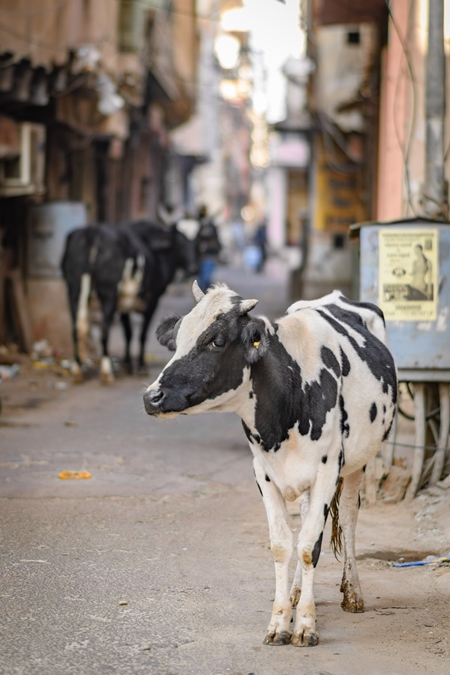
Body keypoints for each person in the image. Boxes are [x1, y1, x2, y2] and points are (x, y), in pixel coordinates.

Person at [196, 205, 222, 292]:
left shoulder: (211, 227)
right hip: (199, 256)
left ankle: (204, 294)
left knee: (206, 279)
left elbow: (216, 241)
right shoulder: (197, 225)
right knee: (200, 279)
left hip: (209, 255)